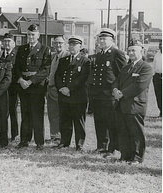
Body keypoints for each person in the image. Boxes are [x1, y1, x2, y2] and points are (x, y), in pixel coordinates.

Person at [87, 28, 127, 157]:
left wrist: (117, 90)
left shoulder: (117, 54)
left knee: (111, 123)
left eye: (105, 38)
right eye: (100, 38)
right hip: (98, 94)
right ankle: (101, 146)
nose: (102, 41)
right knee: (99, 121)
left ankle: (112, 148)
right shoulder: (99, 55)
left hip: (109, 95)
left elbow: (122, 75)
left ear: (112, 40)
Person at [112, 41, 153, 164]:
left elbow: (139, 86)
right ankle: (125, 155)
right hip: (122, 104)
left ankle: (137, 157)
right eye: (129, 50)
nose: (131, 53)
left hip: (135, 105)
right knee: (123, 130)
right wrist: (115, 89)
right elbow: (117, 80)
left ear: (141, 51)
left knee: (136, 132)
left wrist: (122, 93)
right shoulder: (125, 67)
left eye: (134, 50)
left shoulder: (146, 67)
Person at [15, 24, 51, 150]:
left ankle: (39, 142)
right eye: (29, 34)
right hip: (23, 86)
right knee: (25, 114)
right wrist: (20, 79)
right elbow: (17, 67)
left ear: (38, 35)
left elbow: (45, 70)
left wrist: (31, 81)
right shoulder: (21, 49)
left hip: (36, 87)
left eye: (33, 35)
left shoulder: (44, 49)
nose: (30, 37)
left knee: (37, 115)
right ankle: (24, 140)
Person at [54, 35, 90, 151]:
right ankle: (64, 142)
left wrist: (69, 89)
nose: (72, 47)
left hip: (77, 96)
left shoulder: (85, 61)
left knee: (78, 121)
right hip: (64, 96)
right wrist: (62, 88)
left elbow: (82, 79)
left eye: (75, 45)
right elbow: (57, 76)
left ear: (80, 46)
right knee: (64, 120)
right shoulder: (63, 60)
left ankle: (79, 144)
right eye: (70, 44)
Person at [47, 36, 69, 141]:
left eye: (60, 43)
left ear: (64, 44)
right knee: (52, 113)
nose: (58, 45)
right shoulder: (53, 56)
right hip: (51, 88)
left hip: (60, 89)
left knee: (61, 113)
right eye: (56, 43)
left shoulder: (67, 56)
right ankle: (54, 135)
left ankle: (61, 136)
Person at [2, 33, 19, 141]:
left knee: (12, 110)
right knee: (2, 110)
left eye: (9, 41)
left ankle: (14, 134)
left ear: (13, 43)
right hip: (2, 87)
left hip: (13, 87)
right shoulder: (0, 54)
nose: (7, 43)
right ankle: (2, 133)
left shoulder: (16, 54)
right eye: (5, 41)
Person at [152, 41, 162, 117]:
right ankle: (161, 111)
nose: (161, 45)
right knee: (158, 95)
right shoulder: (157, 55)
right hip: (157, 77)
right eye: (160, 44)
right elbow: (154, 66)